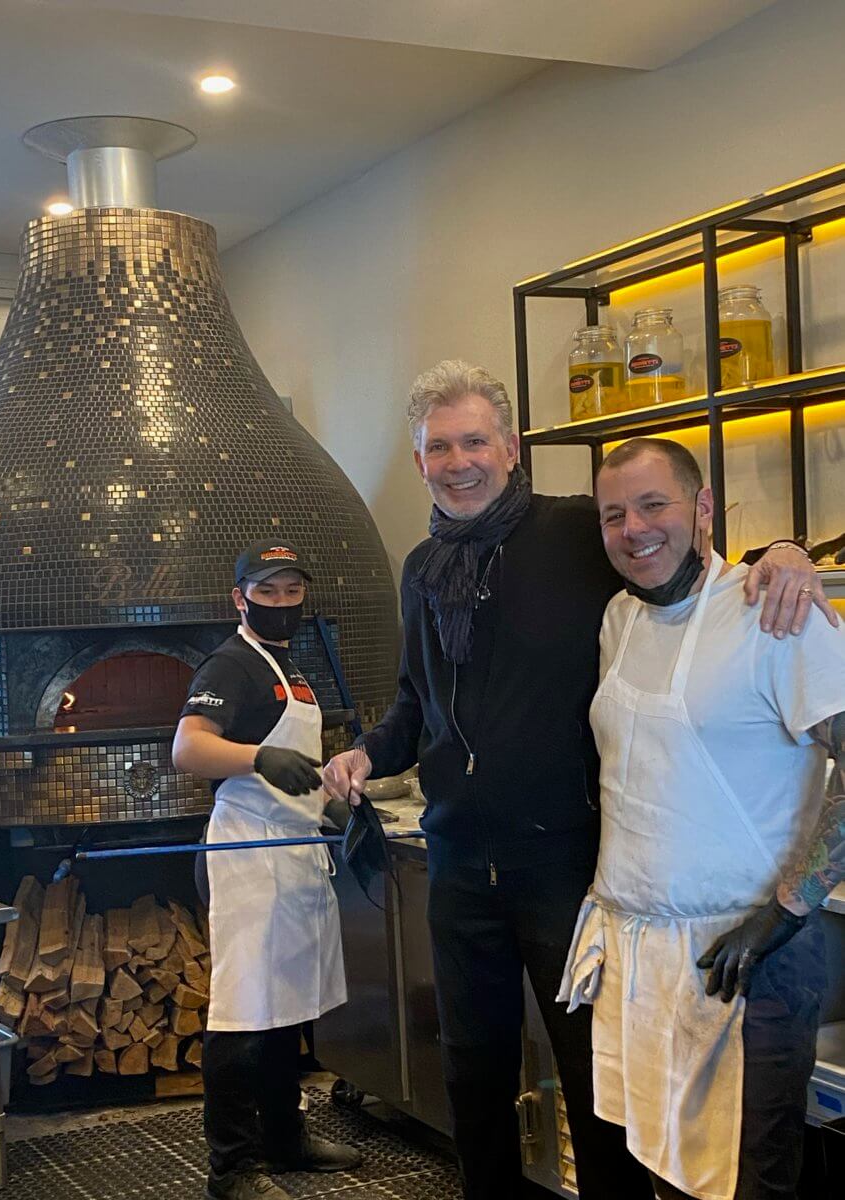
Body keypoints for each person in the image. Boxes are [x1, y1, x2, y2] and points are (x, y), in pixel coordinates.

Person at [322, 361, 835, 1200]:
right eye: (438, 446)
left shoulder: (577, 534)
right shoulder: (422, 571)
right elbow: (418, 701)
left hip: (565, 869)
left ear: (512, 447)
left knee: (604, 1095)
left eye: (475, 440)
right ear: (419, 461)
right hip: (464, 864)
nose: (459, 461)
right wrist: (369, 755)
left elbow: (684, 564)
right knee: (474, 1076)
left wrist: (785, 554)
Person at [558, 437, 845, 1200]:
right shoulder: (618, 619)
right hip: (641, 959)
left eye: (655, 505)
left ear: (705, 508)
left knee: (746, 1181)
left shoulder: (774, 611)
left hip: (746, 959)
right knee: (665, 1172)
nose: (634, 529)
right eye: (614, 515)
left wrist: (785, 912)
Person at [173, 539, 361, 1200]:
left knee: (285, 1003)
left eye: (291, 591)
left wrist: (330, 803)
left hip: (295, 849)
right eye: (267, 591)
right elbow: (188, 747)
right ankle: (233, 1168)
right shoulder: (231, 664)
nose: (280, 602)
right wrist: (258, 760)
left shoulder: (290, 667)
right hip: (246, 853)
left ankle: (286, 1137)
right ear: (239, 598)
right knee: (242, 1011)